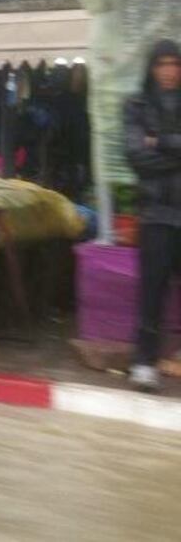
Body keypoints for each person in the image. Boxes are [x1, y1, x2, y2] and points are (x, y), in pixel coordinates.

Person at [124, 39, 181, 392]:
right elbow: (135, 157)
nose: (169, 70)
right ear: (151, 68)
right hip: (156, 213)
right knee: (152, 292)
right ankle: (144, 364)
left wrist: (158, 142)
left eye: (174, 63)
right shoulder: (137, 106)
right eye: (162, 64)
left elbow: (149, 152)